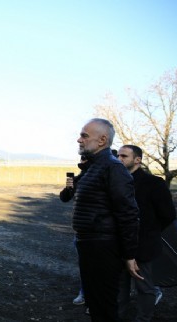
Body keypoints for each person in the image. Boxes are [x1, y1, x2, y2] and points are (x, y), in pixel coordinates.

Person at [72, 118, 140, 322]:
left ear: (102, 140)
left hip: (103, 247)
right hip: (89, 245)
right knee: (95, 304)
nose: (79, 139)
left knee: (104, 306)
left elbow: (128, 213)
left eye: (84, 135)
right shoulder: (93, 167)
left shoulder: (113, 168)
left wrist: (129, 255)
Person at [117, 145, 176, 321]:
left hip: (144, 246)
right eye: (118, 155)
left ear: (137, 160)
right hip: (118, 245)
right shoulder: (115, 182)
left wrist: (149, 233)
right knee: (119, 288)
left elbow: (168, 215)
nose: (119, 159)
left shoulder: (154, 183)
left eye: (124, 156)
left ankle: (143, 319)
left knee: (145, 288)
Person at [59, 156, 88, 308]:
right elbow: (64, 198)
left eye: (85, 161)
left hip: (101, 233)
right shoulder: (80, 178)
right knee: (85, 266)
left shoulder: (106, 175)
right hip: (81, 232)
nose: (83, 163)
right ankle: (84, 293)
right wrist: (69, 187)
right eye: (81, 161)